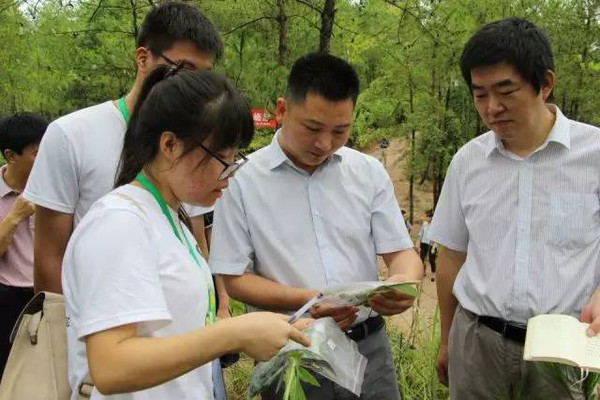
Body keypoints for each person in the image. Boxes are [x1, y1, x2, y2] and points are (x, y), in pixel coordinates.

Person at [62, 66, 311, 400]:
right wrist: (234, 334)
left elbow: (172, 332)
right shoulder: (120, 223)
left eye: (236, 159)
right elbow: (111, 365)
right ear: (170, 144)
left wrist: (268, 328)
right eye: (222, 159)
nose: (229, 174)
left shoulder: (170, 220)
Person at [209, 53, 423, 399]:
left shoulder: (367, 173)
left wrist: (403, 281)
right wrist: (310, 300)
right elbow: (234, 278)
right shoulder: (242, 180)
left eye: (340, 130)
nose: (324, 143)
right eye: (312, 128)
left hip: (369, 348)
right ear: (282, 110)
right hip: (293, 349)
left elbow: (401, 253)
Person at [429, 18, 600, 399]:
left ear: (546, 83)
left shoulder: (595, 155)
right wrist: (446, 339)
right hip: (476, 344)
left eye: (506, 91)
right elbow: (452, 257)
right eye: (480, 94)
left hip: (561, 352)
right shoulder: (467, 162)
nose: (492, 108)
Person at [23, 2, 225, 299]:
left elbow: (197, 241)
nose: (194, 86)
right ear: (143, 58)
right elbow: (50, 258)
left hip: (179, 331)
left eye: (203, 75)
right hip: (100, 328)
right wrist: (73, 335)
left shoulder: (196, 146)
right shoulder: (70, 135)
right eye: (184, 70)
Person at [0, 113, 47, 377]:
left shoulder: (54, 189)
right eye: (36, 153)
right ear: (11, 156)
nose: (45, 160)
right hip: (7, 299)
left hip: (48, 295)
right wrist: (15, 216)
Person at [418, 209, 436, 281]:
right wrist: (418, 244)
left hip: (432, 244)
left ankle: (433, 274)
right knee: (422, 258)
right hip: (423, 243)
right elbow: (421, 234)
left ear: (432, 217)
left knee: (432, 260)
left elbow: (436, 237)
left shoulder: (435, 225)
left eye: (428, 216)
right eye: (426, 216)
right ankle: (423, 272)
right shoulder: (424, 224)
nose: (427, 218)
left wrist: (434, 247)